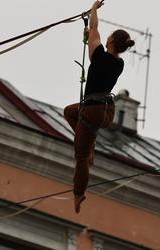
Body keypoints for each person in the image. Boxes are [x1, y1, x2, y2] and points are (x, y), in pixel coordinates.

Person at [64, 0, 135, 213]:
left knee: (81, 156)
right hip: (106, 110)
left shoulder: (100, 57)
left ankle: (79, 193)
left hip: (93, 111)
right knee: (69, 111)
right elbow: (93, 36)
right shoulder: (118, 63)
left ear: (111, 40)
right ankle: (89, 143)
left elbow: (94, 28)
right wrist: (90, 33)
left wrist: (94, 9)